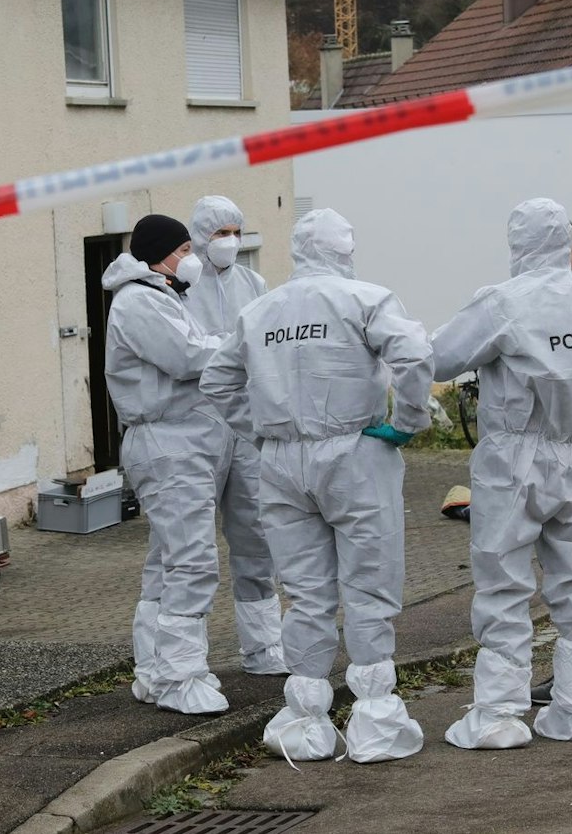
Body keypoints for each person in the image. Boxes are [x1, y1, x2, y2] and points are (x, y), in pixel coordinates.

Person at [201, 209, 433, 763]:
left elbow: (217, 379)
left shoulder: (261, 310)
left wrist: (260, 431)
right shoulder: (365, 299)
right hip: (355, 452)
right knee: (368, 586)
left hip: (282, 461)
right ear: (345, 251)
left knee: (305, 593)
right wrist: (407, 422)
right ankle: (375, 718)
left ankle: (306, 720)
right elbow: (415, 354)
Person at [431, 199, 572, 748]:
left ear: (517, 244)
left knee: (503, 581)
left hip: (514, 457)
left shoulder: (504, 301)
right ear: (567, 243)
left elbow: (439, 358)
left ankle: (499, 715)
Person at [103, 213, 230, 715]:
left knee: (166, 562)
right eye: (183, 251)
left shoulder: (161, 296)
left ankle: (155, 670)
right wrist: (238, 346)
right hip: (167, 444)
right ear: (158, 255)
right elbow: (187, 358)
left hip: (180, 443)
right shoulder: (138, 302)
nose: (190, 259)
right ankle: (180, 676)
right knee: (192, 561)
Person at [185, 196, 286, 675]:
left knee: (256, 535)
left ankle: (264, 648)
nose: (229, 241)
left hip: (245, 423)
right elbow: (186, 353)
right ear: (199, 236)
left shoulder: (253, 283)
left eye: (234, 232)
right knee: (189, 546)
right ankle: (182, 659)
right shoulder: (181, 286)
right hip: (196, 423)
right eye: (219, 233)